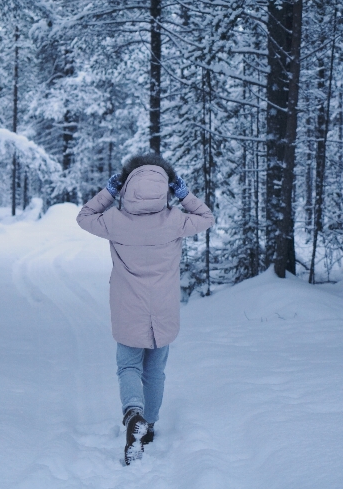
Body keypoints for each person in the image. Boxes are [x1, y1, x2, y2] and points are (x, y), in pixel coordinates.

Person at [76, 154, 214, 465]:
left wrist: (109, 191)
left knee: (129, 368)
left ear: (127, 186)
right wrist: (182, 192)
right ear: (165, 187)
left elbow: (84, 216)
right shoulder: (176, 219)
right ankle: (148, 427)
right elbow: (206, 217)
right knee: (155, 371)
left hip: (127, 309)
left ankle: (133, 413)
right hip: (163, 310)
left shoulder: (114, 220)